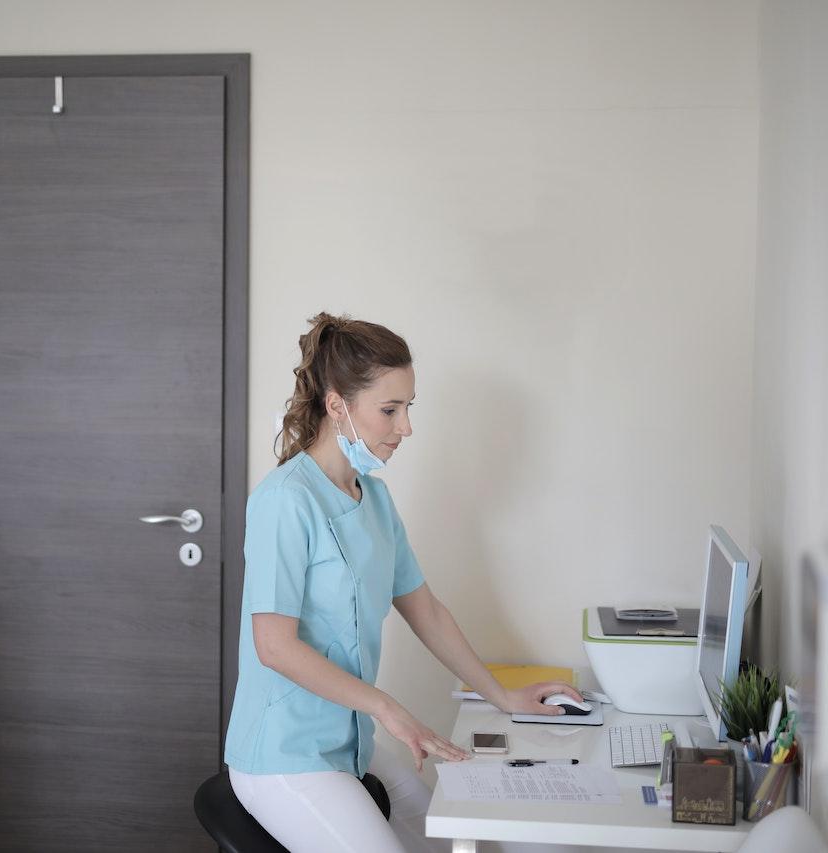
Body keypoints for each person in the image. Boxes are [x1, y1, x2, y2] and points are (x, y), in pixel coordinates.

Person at [224, 313, 583, 853]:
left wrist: (504, 696)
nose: (405, 427)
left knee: (454, 841)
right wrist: (387, 708)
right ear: (338, 404)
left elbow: (426, 610)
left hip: (352, 742)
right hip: (284, 757)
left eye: (409, 407)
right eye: (390, 410)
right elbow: (273, 647)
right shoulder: (285, 501)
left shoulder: (376, 499)